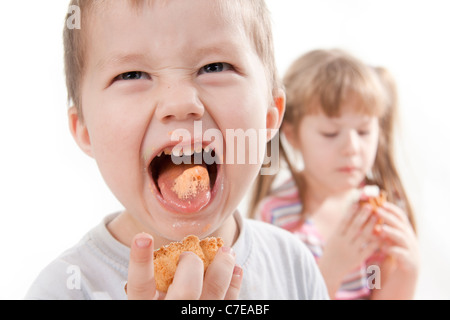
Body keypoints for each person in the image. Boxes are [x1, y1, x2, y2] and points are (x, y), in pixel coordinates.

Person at [25, 0, 329, 300]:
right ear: (85, 130)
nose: (180, 102)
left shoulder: (294, 266)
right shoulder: (64, 289)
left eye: (214, 67)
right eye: (131, 75)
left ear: (268, 116)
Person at [249, 49, 419, 300]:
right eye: (330, 133)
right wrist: (332, 268)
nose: (351, 147)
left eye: (363, 131)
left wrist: (409, 270)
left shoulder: (379, 212)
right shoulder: (275, 217)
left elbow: (380, 286)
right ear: (292, 134)